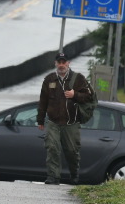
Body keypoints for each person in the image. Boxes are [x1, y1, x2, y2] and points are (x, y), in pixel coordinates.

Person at [38, 51, 95, 185]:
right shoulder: (49, 79)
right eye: (59, 62)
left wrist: (75, 95)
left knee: (72, 151)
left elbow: (89, 96)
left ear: (68, 63)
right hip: (53, 122)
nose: (61, 65)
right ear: (55, 63)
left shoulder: (78, 78)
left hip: (71, 123)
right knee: (52, 147)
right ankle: (53, 177)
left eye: (64, 62)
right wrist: (40, 120)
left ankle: (74, 174)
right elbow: (43, 101)